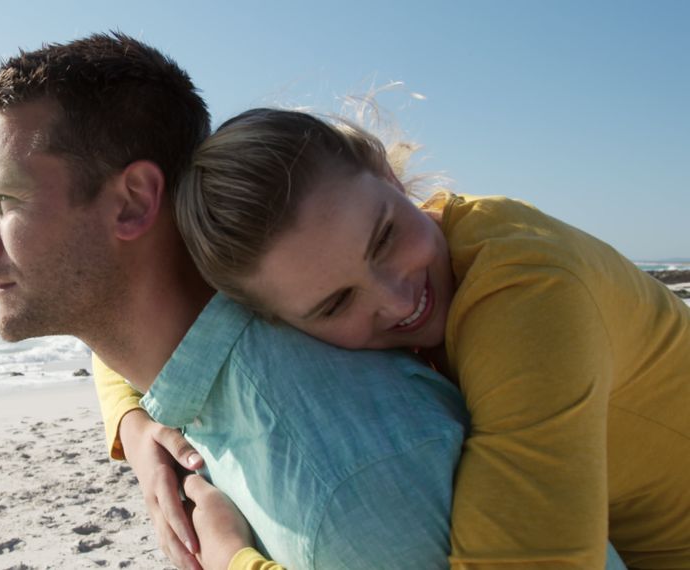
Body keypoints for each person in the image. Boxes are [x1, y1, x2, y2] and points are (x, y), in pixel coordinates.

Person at [99, 107, 690, 568]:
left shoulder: (528, 291)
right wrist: (133, 419)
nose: (398, 300)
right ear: (266, 317)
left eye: (383, 238)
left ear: (386, 172)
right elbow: (127, 324)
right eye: (335, 303)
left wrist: (233, 560)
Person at [0, 34, 471, 569]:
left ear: (133, 202)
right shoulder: (206, 384)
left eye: (6, 200)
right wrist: (130, 423)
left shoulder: (341, 485)